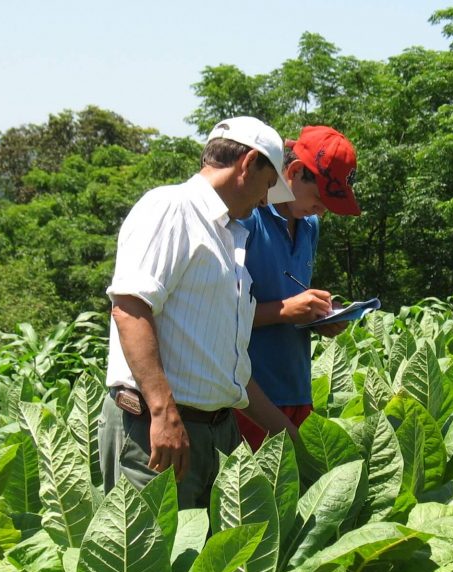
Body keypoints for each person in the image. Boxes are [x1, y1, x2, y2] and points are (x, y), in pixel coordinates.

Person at [99, 115, 301, 509]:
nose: (265, 200)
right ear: (248, 164)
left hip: (213, 436)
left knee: (207, 568)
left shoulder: (229, 237)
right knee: (148, 567)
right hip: (156, 433)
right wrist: (163, 412)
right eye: (267, 184)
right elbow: (129, 308)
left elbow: (227, 366)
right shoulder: (171, 207)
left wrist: (287, 434)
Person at [235, 125, 361, 449]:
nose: (322, 209)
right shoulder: (248, 218)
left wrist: (319, 317)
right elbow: (214, 318)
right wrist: (285, 311)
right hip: (249, 398)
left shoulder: (310, 226)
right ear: (293, 172)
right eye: (320, 197)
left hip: (296, 387)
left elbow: (288, 297)